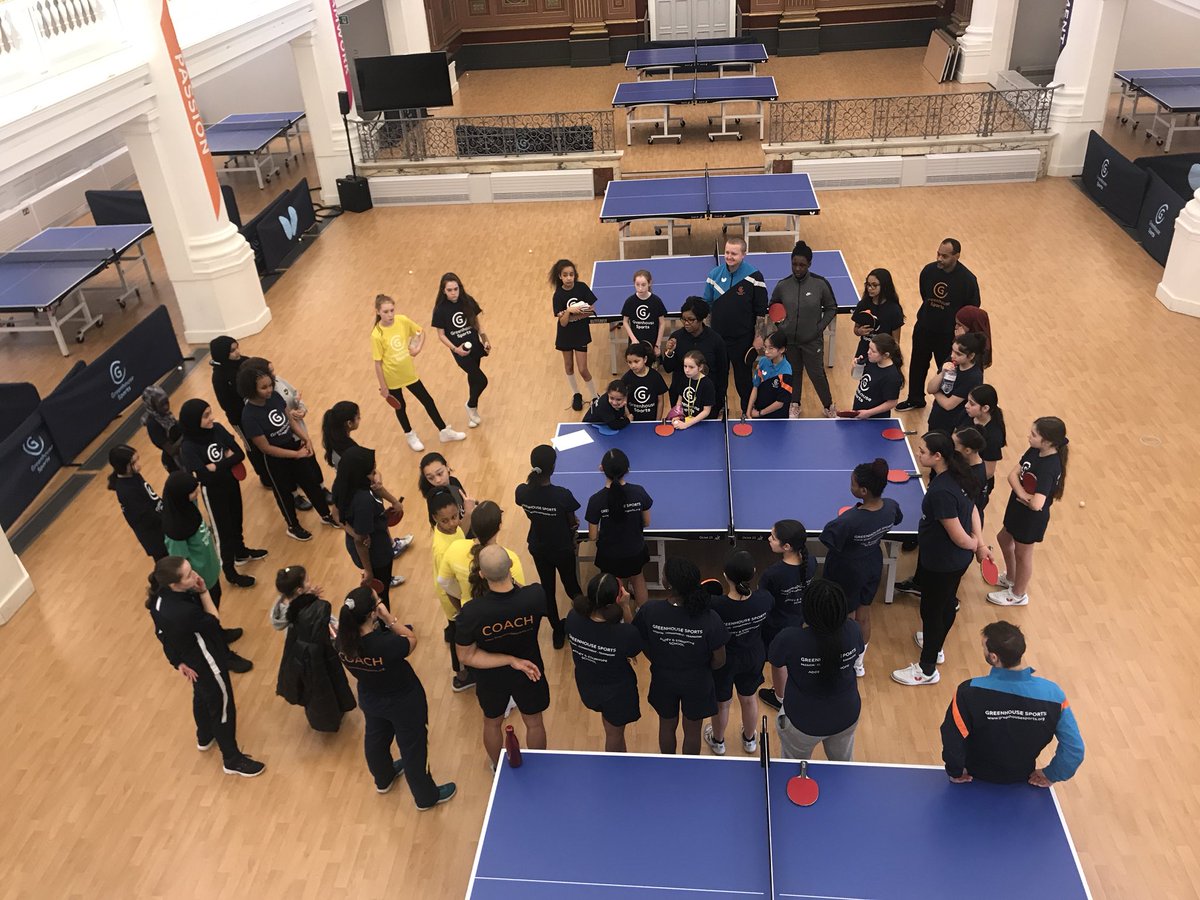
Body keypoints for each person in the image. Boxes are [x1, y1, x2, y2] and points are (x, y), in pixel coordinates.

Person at [336, 585, 456, 807]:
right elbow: (411, 639)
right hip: (404, 702)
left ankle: (384, 778)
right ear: (373, 613)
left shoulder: (341, 642)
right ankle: (426, 797)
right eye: (377, 601)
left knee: (375, 738)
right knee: (413, 748)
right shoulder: (386, 644)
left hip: (371, 698)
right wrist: (389, 618)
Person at [146, 556, 264, 777]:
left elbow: (162, 634)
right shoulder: (184, 612)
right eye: (189, 575)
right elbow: (214, 621)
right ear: (175, 584)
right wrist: (202, 591)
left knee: (201, 694)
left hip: (190, 660)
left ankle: (205, 735)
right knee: (222, 707)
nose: (195, 575)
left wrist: (177, 662)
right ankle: (232, 758)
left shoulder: (158, 601)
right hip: (208, 661)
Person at [891, 432, 991, 686]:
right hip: (954, 562)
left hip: (942, 561)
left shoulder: (941, 492)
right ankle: (935, 647)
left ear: (938, 456)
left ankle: (926, 669)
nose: (918, 454)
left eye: (923, 451)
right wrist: (979, 544)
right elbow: (974, 511)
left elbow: (958, 536)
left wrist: (973, 545)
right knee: (945, 604)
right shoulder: (962, 474)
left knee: (932, 611)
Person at [941, 621, 1084, 786]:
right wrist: (1052, 774)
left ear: (994, 657)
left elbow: (952, 737)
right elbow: (1074, 750)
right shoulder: (1054, 695)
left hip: (975, 774)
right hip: (1021, 777)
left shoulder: (968, 691)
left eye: (984, 647)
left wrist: (956, 770)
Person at [455, 545, 549, 768]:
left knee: (492, 722)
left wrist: (507, 661)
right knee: (534, 722)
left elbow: (466, 656)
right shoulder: (535, 595)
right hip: (530, 670)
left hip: (491, 677)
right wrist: (513, 660)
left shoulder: (472, 612)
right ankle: (539, 766)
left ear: (481, 575)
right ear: (510, 566)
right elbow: (524, 595)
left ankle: (498, 767)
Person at [634, 557, 728, 755]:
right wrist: (700, 667)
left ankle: (670, 765)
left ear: (667, 584)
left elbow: (642, 642)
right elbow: (720, 660)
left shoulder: (649, 611)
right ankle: (689, 771)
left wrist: (659, 660)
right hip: (697, 682)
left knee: (666, 726)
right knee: (692, 732)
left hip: (663, 678)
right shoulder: (710, 618)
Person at [819, 460, 903, 677]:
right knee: (863, 613)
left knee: (843, 617)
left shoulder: (848, 521)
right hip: (873, 565)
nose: (851, 486)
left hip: (847, 571)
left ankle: (842, 658)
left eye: (853, 483)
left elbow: (829, 540)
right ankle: (858, 663)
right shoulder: (891, 506)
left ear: (863, 490)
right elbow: (898, 519)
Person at [237, 364, 337, 541]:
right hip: (275, 460)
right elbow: (266, 448)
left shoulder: (275, 397)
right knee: (285, 494)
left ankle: (325, 515)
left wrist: (305, 438)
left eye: (270, 385)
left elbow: (289, 420)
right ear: (251, 390)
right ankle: (293, 526)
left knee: (310, 483)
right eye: (264, 387)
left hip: (292, 446)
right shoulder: (249, 416)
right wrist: (295, 455)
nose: (269, 390)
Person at [769, 579, 864, 761]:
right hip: (846, 714)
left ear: (807, 611)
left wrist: (781, 698)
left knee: (794, 770)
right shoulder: (853, 630)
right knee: (842, 769)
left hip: (801, 720)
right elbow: (857, 655)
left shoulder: (789, 639)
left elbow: (776, 663)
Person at [177, 399, 265, 589]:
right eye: (206, 416)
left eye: (210, 413)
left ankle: (241, 552)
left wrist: (215, 466)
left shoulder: (217, 429)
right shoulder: (188, 447)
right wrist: (226, 459)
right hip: (213, 493)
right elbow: (203, 476)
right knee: (223, 533)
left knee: (237, 521)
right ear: (193, 420)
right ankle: (230, 573)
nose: (212, 418)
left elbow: (240, 454)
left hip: (231, 483)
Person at [988, 417, 1069, 608]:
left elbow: (1037, 504)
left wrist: (1022, 494)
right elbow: (1012, 475)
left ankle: (1018, 594)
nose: (1029, 437)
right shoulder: (1035, 450)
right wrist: (1023, 493)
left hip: (1031, 519)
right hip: (1017, 507)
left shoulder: (1049, 467)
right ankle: (1011, 578)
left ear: (1048, 441)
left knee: (1023, 555)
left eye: (1034, 435)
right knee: (1003, 539)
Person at [371, 293, 466, 452]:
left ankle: (443, 431)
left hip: (409, 373)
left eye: (392, 310)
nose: (390, 315)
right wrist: (383, 387)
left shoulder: (402, 320)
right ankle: (410, 435)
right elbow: (377, 363)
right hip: (392, 378)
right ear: (378, 312)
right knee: (400, 407)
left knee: (427, 400)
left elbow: (420, 332)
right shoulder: (376, 335)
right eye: (386, 312)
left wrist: (417, 348)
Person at [320, 401, 412, 559]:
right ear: (349, 423)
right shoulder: (349, 452)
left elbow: (370, 473)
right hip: (361, 495)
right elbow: (374, 484)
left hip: (355, 490)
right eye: (358, 417)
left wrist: (376, 474)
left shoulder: (336, 443)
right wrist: (395, 502)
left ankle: (390, 546)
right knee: (374, 533)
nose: (360, 419)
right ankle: (383, 568)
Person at [897, 238, 981, 411]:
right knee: (918, 364)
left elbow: (972, 308)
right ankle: (915, 398)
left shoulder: (968, 280)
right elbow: (925, 294)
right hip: (925, 327)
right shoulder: (928, 271)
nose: (939, 259)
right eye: (938, 254)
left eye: (945, 256)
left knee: (947, 369)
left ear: (956, 256)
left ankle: (946, 401)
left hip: (948, 335)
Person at [703, 551, 772, 756]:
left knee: (722, 704)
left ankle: (718, 742)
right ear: (753, 573)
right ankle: (750, 740)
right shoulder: (764, 599)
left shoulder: (716, 606)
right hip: (753, 656)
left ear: (725, 576)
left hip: (725, 660)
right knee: (749, 699)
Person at [565, 573, 643, 752]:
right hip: (617, 693)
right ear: (618, 597)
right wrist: (625, 607)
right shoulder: (623, 634)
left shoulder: (573, 618)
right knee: (614, 735)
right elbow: (634, 645)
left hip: (588, 685)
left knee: (610, 727)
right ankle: (616, 772)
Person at [514, 445, 582, 650]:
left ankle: (557, 632)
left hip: (539, 547)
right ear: (553, 468)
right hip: (561, 548)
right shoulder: (562, 495)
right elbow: (572, 522)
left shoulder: (522, 492)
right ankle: (585, 621)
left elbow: (525, 504)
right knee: (572, 587)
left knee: (548, 590)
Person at [274, 567, 356, 733]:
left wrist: (310, 597)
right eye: (307, 581)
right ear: (299, 589)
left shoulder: (285, 608)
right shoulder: (309, 611)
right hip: (317, 655)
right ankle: (332, 718)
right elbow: (328, 630)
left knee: (312, 689)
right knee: (324, 688)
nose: (310, 583)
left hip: (300, 655)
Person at [242, 356, 325, 513]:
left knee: (311, 468)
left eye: (272, 372)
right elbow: (266, 445)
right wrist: (295, 453)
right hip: (284, 448)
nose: (274, 376)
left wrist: (302, 409)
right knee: (288, 478)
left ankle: (320, 490)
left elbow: (295, 397)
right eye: (270, 372)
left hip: (299, 438)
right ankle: (295, 497)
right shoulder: (252, 410)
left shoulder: (278, 384)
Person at [767, 240, 837, 418]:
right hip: (789, 342)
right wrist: (781, 326)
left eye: (802, 265)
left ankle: (828, 406)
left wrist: (819, 328)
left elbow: (831, 308)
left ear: (810, 264)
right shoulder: (783, 285)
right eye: (794, 264)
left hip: (812, 341)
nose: (797, 268)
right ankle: (794, 404)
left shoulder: (820, 284)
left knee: (817, 375)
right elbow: (773, 305)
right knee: (793, 374)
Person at [757, 519, 817, 711]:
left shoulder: (772, 574)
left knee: (778, 661)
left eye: (773, 537)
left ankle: (780, 697)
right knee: (791, 655)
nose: (769, 538)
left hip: (776, 625)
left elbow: (764, 601)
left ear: (787, 546)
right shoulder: (812, 562)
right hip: (798, 619)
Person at [703, 236, 768, 415]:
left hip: (742, 339)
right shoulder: (713, 275)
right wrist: (707, 333)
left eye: (734, 253)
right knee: (717, 378)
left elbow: (761, 311)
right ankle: (717, 409)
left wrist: (759, 336)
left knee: (743, 379)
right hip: (717, 338)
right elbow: (707, 305)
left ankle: (746, 409)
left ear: (743, 254)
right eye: (727, 252)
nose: (729, 256)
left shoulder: (755, 277)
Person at [332, 447, 402, 607]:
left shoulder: (344, 483)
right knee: (381, 595)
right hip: (375, 554)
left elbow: (336, 515)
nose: (375, 475)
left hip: (362, 544)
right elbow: (361, 542)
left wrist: (394, 501)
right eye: (371, 472)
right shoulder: (363, 502)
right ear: (360, 475)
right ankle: (385, 626)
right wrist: (369, 571)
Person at [585, 448, 652, 609]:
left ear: (601, 468)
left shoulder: (596, 500)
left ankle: (619, 617)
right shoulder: (639, 492)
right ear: (627, 469)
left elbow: (593, 536)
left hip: (609, 554)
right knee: (637, 579)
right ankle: (642, 616)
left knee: (615, 584)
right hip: (635, 549)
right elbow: (647, 522)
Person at [437, 500, 526, 613]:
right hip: (503, 616)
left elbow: (443, 582)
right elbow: (520, 595)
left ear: (473, 527)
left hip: (471, 614)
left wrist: (463, 603)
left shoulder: (455, 547)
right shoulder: (508, 558)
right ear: (499, 525)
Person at [431, 272, 491, 427]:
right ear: (443, 291)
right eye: (449, 290)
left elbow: (477, 323)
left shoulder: (467, 301)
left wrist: (485, 340)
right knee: (482, 380)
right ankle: (471, 405)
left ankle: (472, 414)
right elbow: (441, 335)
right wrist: (455, 349)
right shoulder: (440, 309)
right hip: (461, 352)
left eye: (455, 289)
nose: (453, 293)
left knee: (473, 378)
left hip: (474, 345)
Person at [209, 336, 269, 488]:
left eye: (237, 348)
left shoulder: (245, 362)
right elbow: (225, 404)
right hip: (239, 419)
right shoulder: (218, 377)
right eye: (232, 351)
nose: (237, 353)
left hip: (259, 411)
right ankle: (264, 475)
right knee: (252, 446)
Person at [428, 493, 471, 691]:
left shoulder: (455, 530)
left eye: (455, 517)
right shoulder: (441, 549)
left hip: (461, 592)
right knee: (458, 637)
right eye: (445, 520)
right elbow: (446, 583)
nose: (452, 523)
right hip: (453, 600)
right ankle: (461, 675)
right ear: (435, 518)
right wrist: (459, 609)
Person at [661, 297, 728, 417]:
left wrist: (720, 399)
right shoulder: (676, 337)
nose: (686, 323)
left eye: (691, 320)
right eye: (683, 319)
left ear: (701, 319)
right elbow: (668, 368)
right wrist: (670, 353)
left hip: (706, 397)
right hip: (681, 396)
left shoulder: (716, 340)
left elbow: (723, 372)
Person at [550, 258, 598, 411]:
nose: (569, 277)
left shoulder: (582, 288)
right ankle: (576, 394)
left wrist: (573, 316)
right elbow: (563, 322)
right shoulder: (558, 296)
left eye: (571, 274)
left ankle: (595, 396)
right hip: (565, 335)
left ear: (574, 275)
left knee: (583, 369)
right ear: (560, 277)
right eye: (565, 275)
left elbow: (591, 310)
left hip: (581, 333)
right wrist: (570, 311)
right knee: (569, 366)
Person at [108, 445, 166, 564]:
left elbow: (150, 496)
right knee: (166, 564)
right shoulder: (126, 491)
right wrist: (167, 519)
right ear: (123, 466)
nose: (138, 464)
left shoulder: (134, 475)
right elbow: (145, 516)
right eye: (133, 462)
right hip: (155, 535)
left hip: (160, 520)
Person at [925, 331, 985, 434]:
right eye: (952, 351)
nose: (953, 355)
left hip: (952, 424)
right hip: (937, 416)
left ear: (971, 356)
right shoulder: (952, 361)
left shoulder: (973, 377)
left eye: (958, 354)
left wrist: (936, 392)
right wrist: (943, 373)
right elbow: (930, 388)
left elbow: (948, 405)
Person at [851, 268, 905, 362]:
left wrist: (889, 359)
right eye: (868, 285)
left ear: (884, 286)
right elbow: (856, 329)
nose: (870, 288)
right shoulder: (863, 304)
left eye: (874, 285)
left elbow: (895, 342)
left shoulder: (894, 310)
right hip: (864, 353)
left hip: (882, 357)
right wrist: (859, 331)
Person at [850, 334, 905, 419]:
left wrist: (868, 413)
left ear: (885, 355)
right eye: (869, 348)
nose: (868, 352)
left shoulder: (892, 377)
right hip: (859, 411)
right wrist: (856, 367)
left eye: (873, 351)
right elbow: (856, 376)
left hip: (876, 418)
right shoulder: (871, 360)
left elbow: (892, 402)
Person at [418, 452, 476, 532]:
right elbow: (456, 534)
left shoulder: (454, 481)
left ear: (447, 467)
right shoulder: (437, 500)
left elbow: (464, 503)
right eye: (431, 478)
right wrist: (468, 513)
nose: (437, 480)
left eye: (440, 473)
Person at [967, 384, 1006, 500]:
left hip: (975, 484)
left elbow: (988, 472)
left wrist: (963, 480)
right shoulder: (970, 415)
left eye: (972, 403)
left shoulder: (993, 437)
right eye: (968, 401)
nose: (966, 406)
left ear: (985, 408)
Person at [621, 269, 668, 360]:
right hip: (636, 342)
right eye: (637, 285)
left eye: (643, 285)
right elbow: (625, 322)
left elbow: (662, 323)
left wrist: (658, 345)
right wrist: (633, 339)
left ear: (649, 283)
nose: (640, 288)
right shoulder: (630, 301)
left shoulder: (656, 301)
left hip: (652, 342)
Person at [747, 331, 793, 420]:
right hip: (759, 409)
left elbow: (780, 402)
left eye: (771, 348)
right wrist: (749, 411)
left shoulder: (786, 372)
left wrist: (760, 414)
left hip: (777, 417)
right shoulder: (763, 362)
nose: (766, 352)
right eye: (765, 347)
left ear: (782, 350)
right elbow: (755, 387)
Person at [666, 351, 715, 430]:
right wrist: (677, 415)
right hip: (684, 420)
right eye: (685, 366)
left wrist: (687, 424)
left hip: (700, 423)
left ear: (700, 367)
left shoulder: (707, 384)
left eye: (691, 367)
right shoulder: (684, 379)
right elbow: (680, 399)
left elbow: (706, 411)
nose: (687, 370)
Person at [621, 342, 668, 421]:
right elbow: (623, 401)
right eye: (629, 362)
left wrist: (657, 420)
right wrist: (628, 416)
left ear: (645, 359)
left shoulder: (655, 377)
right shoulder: (626, 378)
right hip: (633, 422)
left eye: (636, 361)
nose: (633, 365)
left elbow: (660, 401)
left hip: (651, 420)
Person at [140, 385, 182, 474]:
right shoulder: (153, 425)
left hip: (182, 453)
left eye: (167, 402)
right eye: (162, 405)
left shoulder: (164, 415)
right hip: (174, 462)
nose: (166, 407)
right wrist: (187, 434)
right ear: (152, 406)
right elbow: (171, 451)